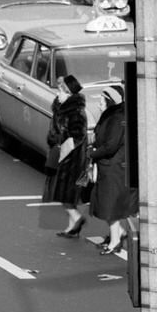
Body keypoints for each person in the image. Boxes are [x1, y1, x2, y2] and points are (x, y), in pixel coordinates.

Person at [90, 84, 135, 256]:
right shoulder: (111, 116)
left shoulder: (116, 119)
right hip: (110, 166)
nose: (99, 103)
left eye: (102, 100)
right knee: (111, 206)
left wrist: (92, 153)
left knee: (111, 206)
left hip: (114, 168)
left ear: (110, 101)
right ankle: (118, 234)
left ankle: (116, 240)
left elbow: (110, 146)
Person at [43, 74, 89, 239]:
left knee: (64, 193)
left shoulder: (75, 113)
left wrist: (61, 153)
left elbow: (77, 136)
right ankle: (72, 227)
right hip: (62, 155)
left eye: (61, 91)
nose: (58, 94)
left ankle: (76, 219)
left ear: (69, 93)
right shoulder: (61, 108)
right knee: (64, 194)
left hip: (70, 160)